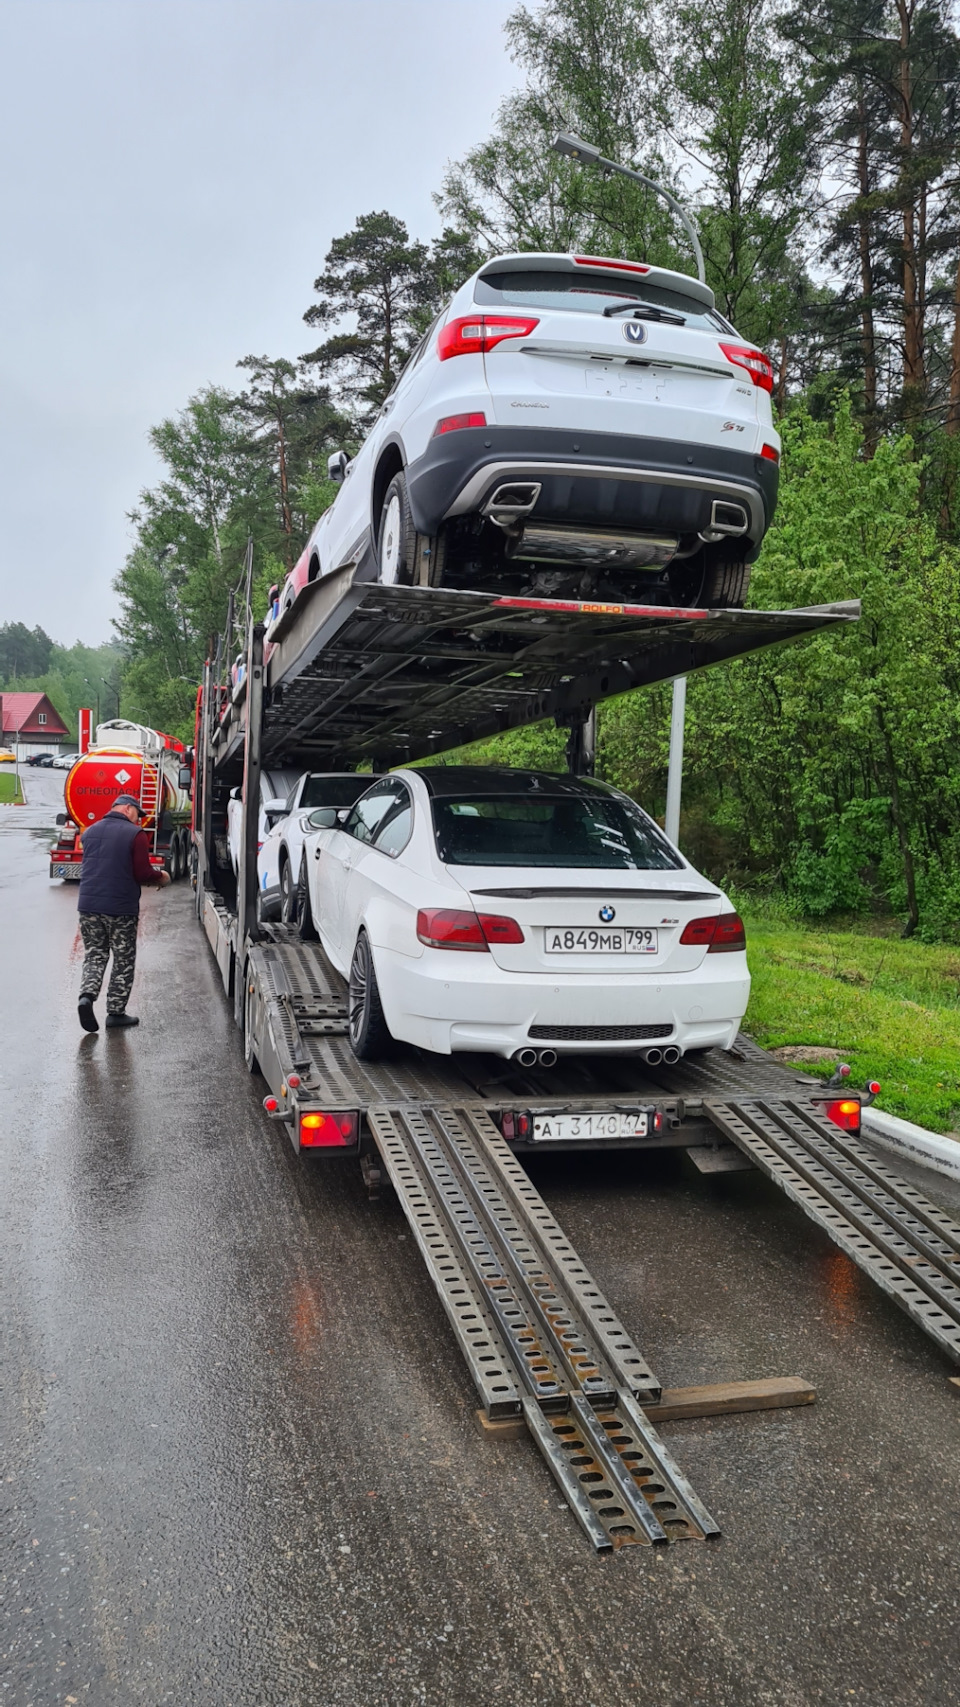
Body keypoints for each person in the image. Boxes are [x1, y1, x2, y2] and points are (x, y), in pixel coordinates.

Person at [76, 793, 171, 1032]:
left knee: (95, 954)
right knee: (123, 958)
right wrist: (162, 878)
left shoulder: (90, 831)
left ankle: (86, 997)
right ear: (128, 809)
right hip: (120, 909)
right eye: (137, 815)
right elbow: (142, 873)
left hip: (88, 907)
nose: (138, 821)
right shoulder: (134, 834)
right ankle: (115, 1013)